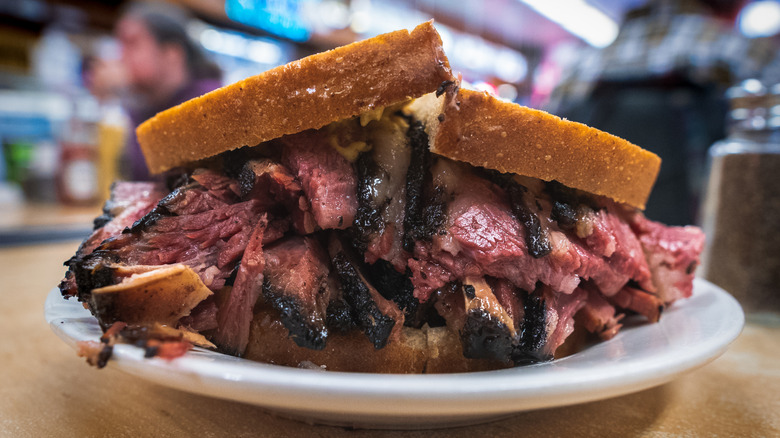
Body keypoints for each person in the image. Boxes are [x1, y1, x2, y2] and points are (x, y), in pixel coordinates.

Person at [546, 0, 779, 225]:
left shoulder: (579, 63)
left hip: (589, 234)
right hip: (701, 241)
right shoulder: (748, 53)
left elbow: (548, 149)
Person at [89, 3, 222, 181]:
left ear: (171, 54)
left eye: (132, 44)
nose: (120, 57)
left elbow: (172, 182)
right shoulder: (143, 104)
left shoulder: (208, 105)